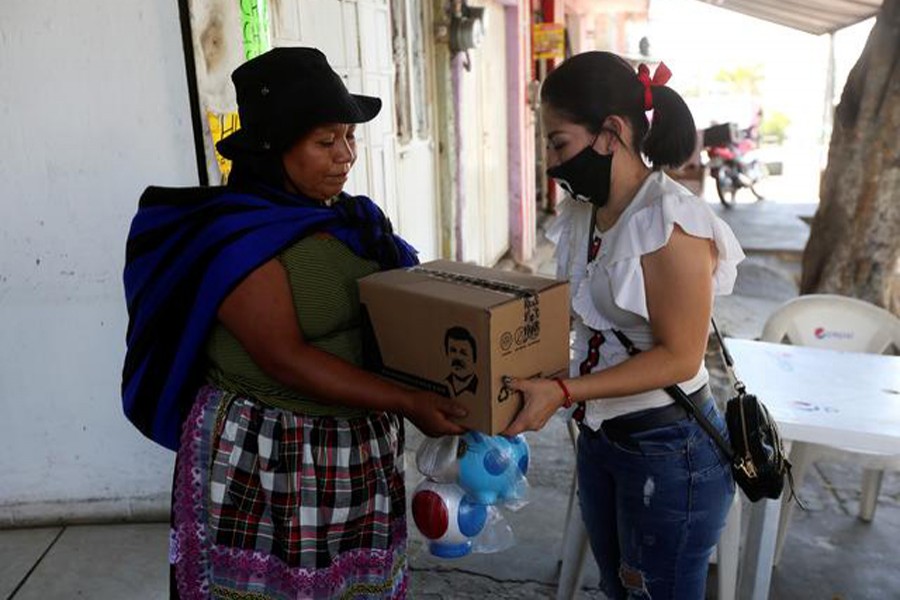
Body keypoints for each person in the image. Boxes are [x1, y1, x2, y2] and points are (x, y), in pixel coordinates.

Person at [121, 47, 467, 599]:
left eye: (349, 138)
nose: (346, 155)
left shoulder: (353, 221)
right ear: (272, 148)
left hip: (354, 454)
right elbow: (286, 358)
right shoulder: (236, 238)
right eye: (325, 142)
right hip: (270, 460)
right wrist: (408, 402)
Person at [502, 52, 745, 599]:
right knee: (619, 589)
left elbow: (680, 357)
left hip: (669, 449)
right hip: (601, 438)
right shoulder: (587, 213)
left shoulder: (671, 221)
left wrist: (563, 390)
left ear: (611, 133)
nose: (551, 161)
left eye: (559, 143)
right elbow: (574, 316)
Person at [444, 326, 479, 397]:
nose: (457, 357)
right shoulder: (443, 383)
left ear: (474, 358)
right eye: (453, 351)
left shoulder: (481, 387)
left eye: (463, 353)